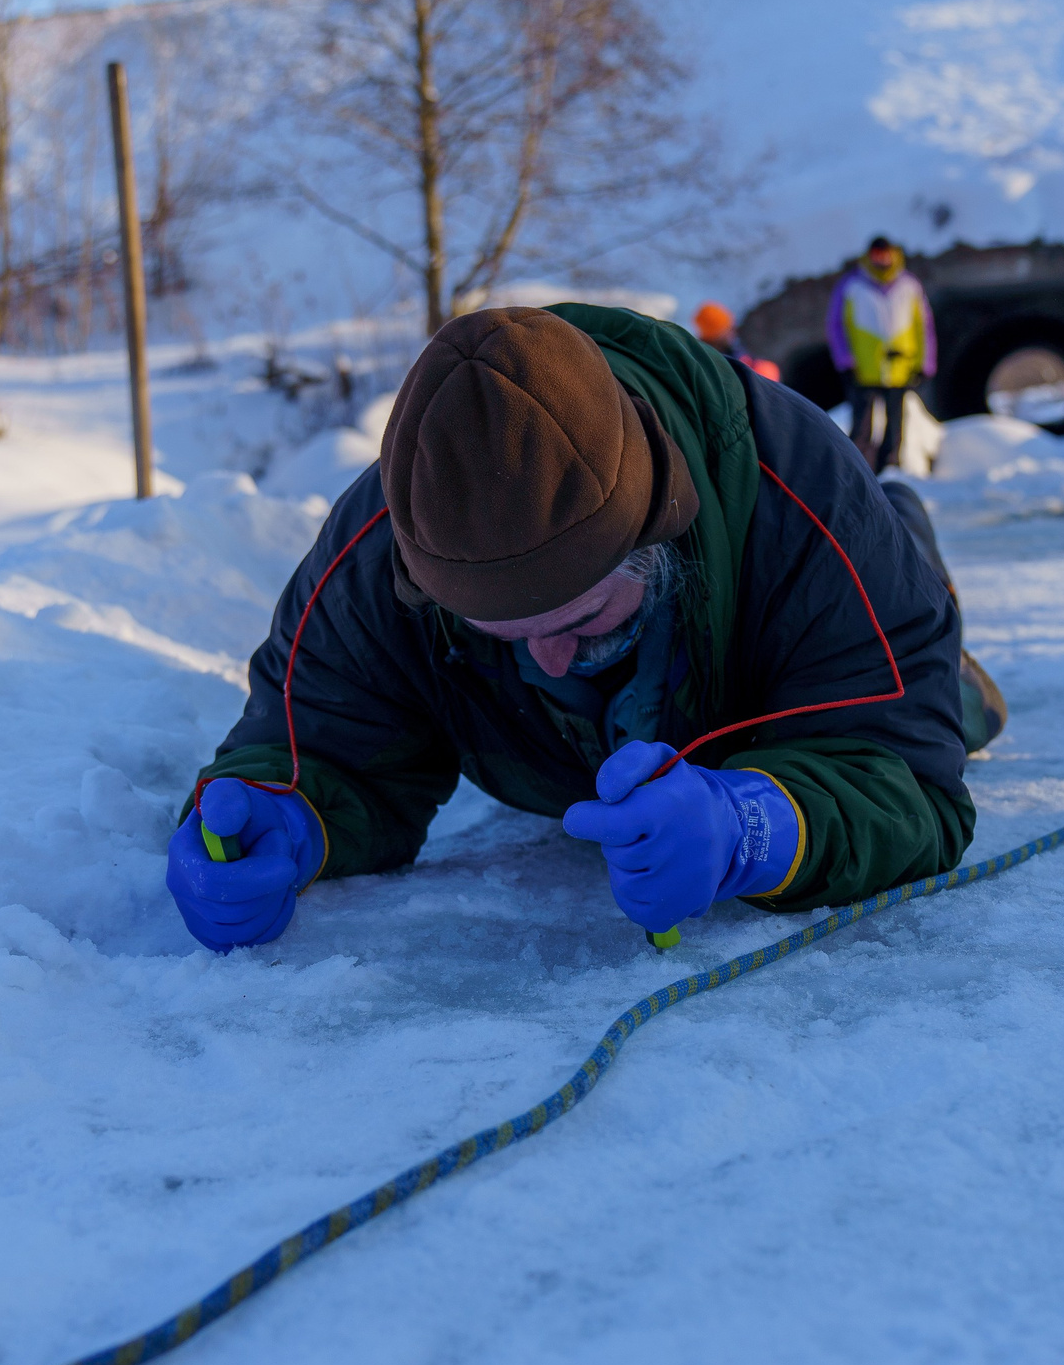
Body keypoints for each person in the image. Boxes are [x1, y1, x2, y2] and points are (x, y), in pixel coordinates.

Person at [164, 303, 1007, 955]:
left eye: (583, 617)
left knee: (958, 711)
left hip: (782, 688)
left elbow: (907, 773)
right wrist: (285, 817)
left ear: (659, 532)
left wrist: (749, 827)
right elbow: (314, 742)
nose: (550, 657)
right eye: (501, 630)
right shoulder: (385, 547)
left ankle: (911, 535)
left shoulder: (802, 492)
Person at [826, 237, 935, 473]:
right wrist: (844, 361)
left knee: (895, 427)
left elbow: (923, 326)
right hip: (862, 370)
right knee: (862, 428)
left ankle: (890, 472)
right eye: (876, 254)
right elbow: (836, 325)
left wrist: (925, 364)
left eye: (885, 253)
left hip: (900, 369)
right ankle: (856, 472)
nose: (882, 259)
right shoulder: (852, 285)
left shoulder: (909, 286)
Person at [690, 301, 781, 382]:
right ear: (717, 336)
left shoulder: (727, 349)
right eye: (728, 328)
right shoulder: (714, 363)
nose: (734, 330)